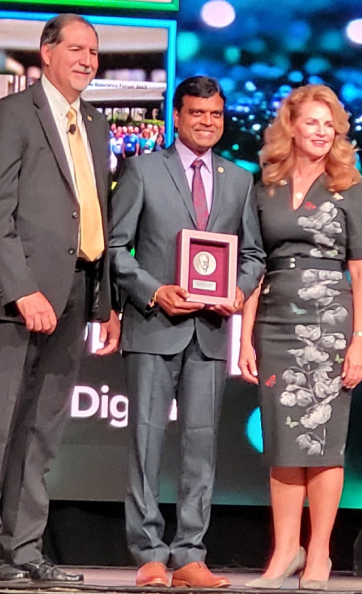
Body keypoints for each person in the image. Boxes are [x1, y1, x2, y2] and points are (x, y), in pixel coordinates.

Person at [0, 13, 120, 585]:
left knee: (43, 430)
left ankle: (24, 549)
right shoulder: (10, 115)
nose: (86, 60)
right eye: (75, 48)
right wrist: (23, 289)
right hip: (17, 296)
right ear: (46, 52)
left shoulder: (95, 124)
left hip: (76, 290)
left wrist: (104, 303)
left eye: (94, 52)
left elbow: (92, 214)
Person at [109, 76, 264, 588]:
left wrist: (238, 291)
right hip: (156, 325)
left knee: (201, 448)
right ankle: (149, 553)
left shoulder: (239, 180)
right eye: (197, 113)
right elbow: (116, 250)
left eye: (215, 114)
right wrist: (155, 291)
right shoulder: (142, 170)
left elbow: (253, 255)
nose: (206, 122)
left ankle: (191, 553)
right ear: (176, 116)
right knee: (146, 443)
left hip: (211, 330)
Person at [238, 84, 362, 590]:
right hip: (274, 320)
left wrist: (359, 338)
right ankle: (284, 553)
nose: (321, 132)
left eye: (329, 124)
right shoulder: (266, 185)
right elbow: (254, 262)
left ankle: (319, 554)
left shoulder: (349, 185)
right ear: (291, 126)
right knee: (281, 443)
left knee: (322, 443)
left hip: (329, 327)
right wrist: (245, 334)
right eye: (312, 122)